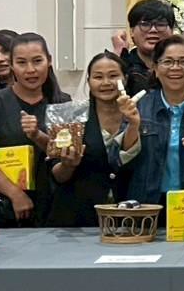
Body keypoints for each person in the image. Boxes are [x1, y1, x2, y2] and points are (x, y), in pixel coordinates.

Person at [0, 32, 68, 226]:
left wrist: (39, 136)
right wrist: (14, 194)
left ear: (49, 61)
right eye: (21, 63)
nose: (30, 70)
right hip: (8, 207)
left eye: (37, 61)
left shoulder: (62, 103)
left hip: (55, 205)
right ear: (12, 66)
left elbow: (63, 155)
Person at [121, 36, 184, 205]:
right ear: (155, 68)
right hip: (147, 204)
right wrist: (133, 125)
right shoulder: (139, 106)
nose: (175, 68)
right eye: (167, 62)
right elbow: (121, 159)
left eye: (183, 62)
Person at [47, 52, 142, 226]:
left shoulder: (140, 114)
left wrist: (133, 124)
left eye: (113, 76)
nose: (106, 83)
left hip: (129, 218)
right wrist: (68, 165)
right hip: (77, 220)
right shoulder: (70, 115)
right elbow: (57, 176)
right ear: (89, 81)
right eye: (98, 77)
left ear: (125, 79)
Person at [111, 0, 177, 94]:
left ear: (172, 31)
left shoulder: (180, 66)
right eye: (145, 24)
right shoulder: (124, 64)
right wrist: (117, 56)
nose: (153, 30)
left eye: (160, 24)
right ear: (132, 31)